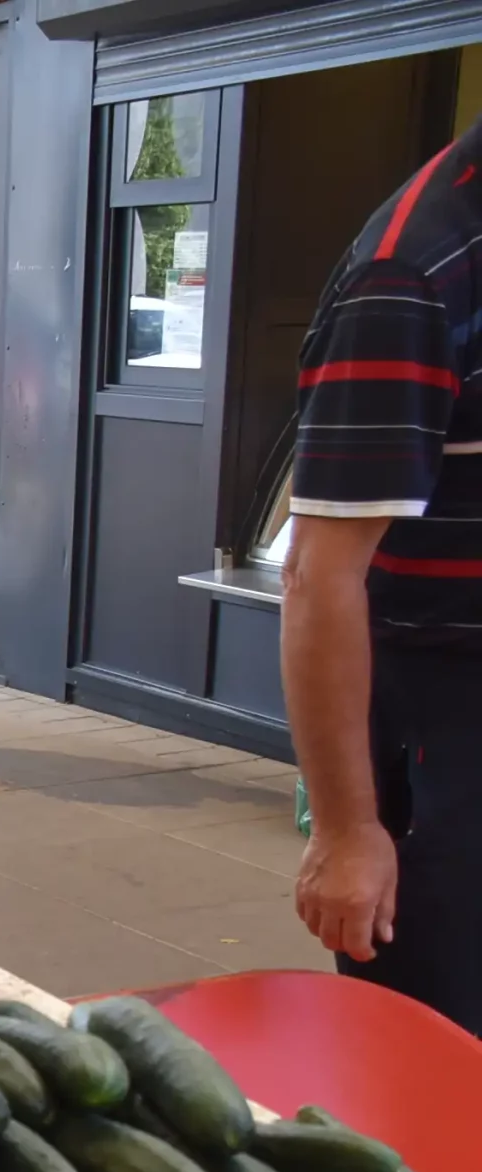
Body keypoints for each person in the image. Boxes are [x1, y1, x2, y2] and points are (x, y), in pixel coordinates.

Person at [283, 118, 482, 1034]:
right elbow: (319, 578)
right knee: (438, 1050)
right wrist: (347, 830)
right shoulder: (414, 274)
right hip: (444, 720)